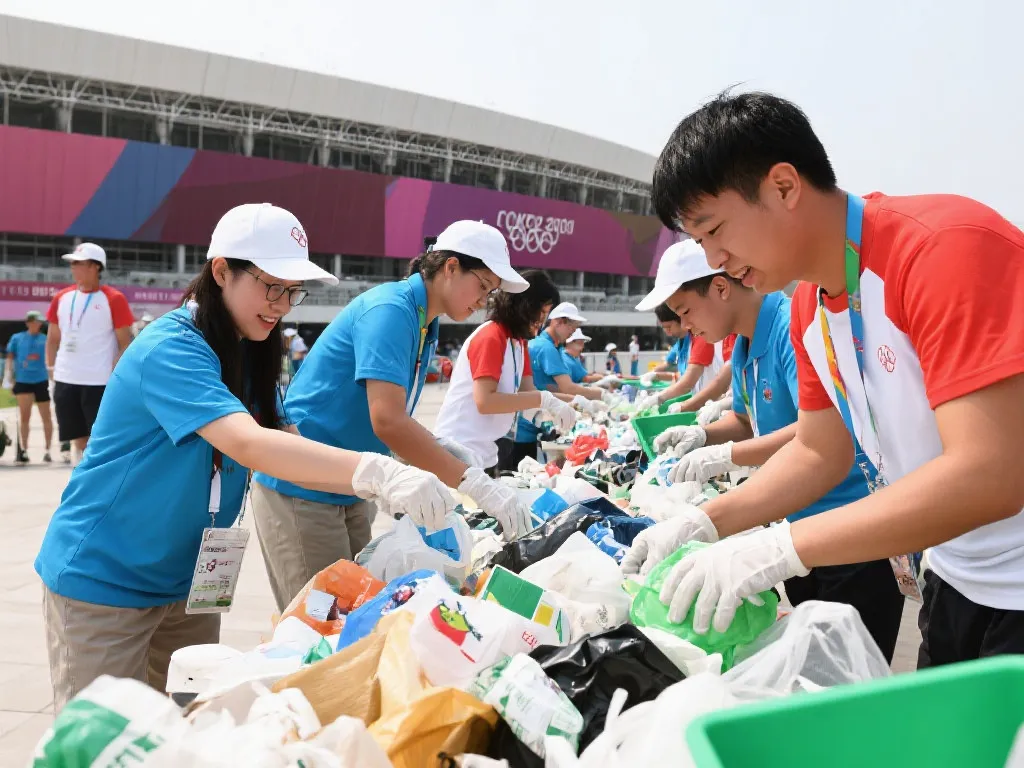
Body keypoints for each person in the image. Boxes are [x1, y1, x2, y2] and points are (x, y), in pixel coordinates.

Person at [637, 90, 1024, 667]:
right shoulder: (807, 308)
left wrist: (782, 546)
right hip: (952, 575)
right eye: (699, 243)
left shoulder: (942, 250)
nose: (715, 259)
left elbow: (992, 473)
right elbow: (819, 451)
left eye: (714, 230)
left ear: (784, 186)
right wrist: (705, 522)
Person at [34, 203, 453, 711]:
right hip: (108, 581)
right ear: (220, 272)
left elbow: (290, 441)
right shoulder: (172, 348)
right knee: (103, 737)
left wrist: (386, 479)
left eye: (293, 291)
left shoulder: (249, 351)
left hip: (188, 584)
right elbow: (248, 443)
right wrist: (376, 471)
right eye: (271, 286)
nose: (282, 305)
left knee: (187, 726)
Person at [622, 243, 904, 661]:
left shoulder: (789, 327)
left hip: (848, 527)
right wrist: (701, 435)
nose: (685, 325)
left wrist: (726, 456)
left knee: (850, 670)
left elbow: (817, 431)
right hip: (794, 521)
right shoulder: (743, 346)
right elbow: (743, 419)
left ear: (720, 288)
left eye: (685, 311)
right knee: (809, 669)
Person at [250, 220, 539, 612]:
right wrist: (472, 482)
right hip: (303, 484)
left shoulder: (424, 322)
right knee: (318, 624)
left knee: (356, 615)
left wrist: (436, 449)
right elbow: (387, 420)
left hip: (350, 484)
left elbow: (390, 415)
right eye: (483, 286)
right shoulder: (392, 310)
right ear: (451, 267)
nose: (483, 302)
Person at [434, 269, 577, 474]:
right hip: (459, 449)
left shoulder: (519, 342)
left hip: (487, 450)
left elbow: (527, 394)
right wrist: (545, 400)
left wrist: (555, 411)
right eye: (542, 313)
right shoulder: (491, 336)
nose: (542, 321)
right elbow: (485, 401)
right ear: (525, 306)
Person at [46, 243, 134, 461]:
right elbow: (52, 339)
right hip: (66, 378)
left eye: (79, 263)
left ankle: (97, 474)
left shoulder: (114, 299)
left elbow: (125, 343)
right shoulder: (62, 297)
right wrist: (51, 370)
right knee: (77, 437)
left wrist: (115, 375)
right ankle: (83, 472)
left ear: (96, 267)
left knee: (100, 438)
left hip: (99, 380)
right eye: (72, 263)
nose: (74, 268)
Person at [510, 302, 616, 466]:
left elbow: (550, 387)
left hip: (529, 420)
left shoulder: (546, 345)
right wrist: (600, 395)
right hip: (526, 425)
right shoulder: (546, 348)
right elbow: (567, 387)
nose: (572, 332)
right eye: (571, 327)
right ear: (558, 322)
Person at [635, 243, 718, 409]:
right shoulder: (697, 335)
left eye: (685, 312)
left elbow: (691, 381)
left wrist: (665, 400)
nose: (686, 325)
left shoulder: (704, 335)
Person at [3, 310, 54, 463]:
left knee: (46, 416)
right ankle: (24, 449)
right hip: (23, 380)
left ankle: (48, 450)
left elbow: (51, 358)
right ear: (28, 323)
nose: (37, 324)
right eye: (35, 322)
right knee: (25, 416)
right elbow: (10, 357)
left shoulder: (45, 339)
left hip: (41, 380)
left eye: (39, 322)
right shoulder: (17, 338)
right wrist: (8, 376)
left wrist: (53, 379)